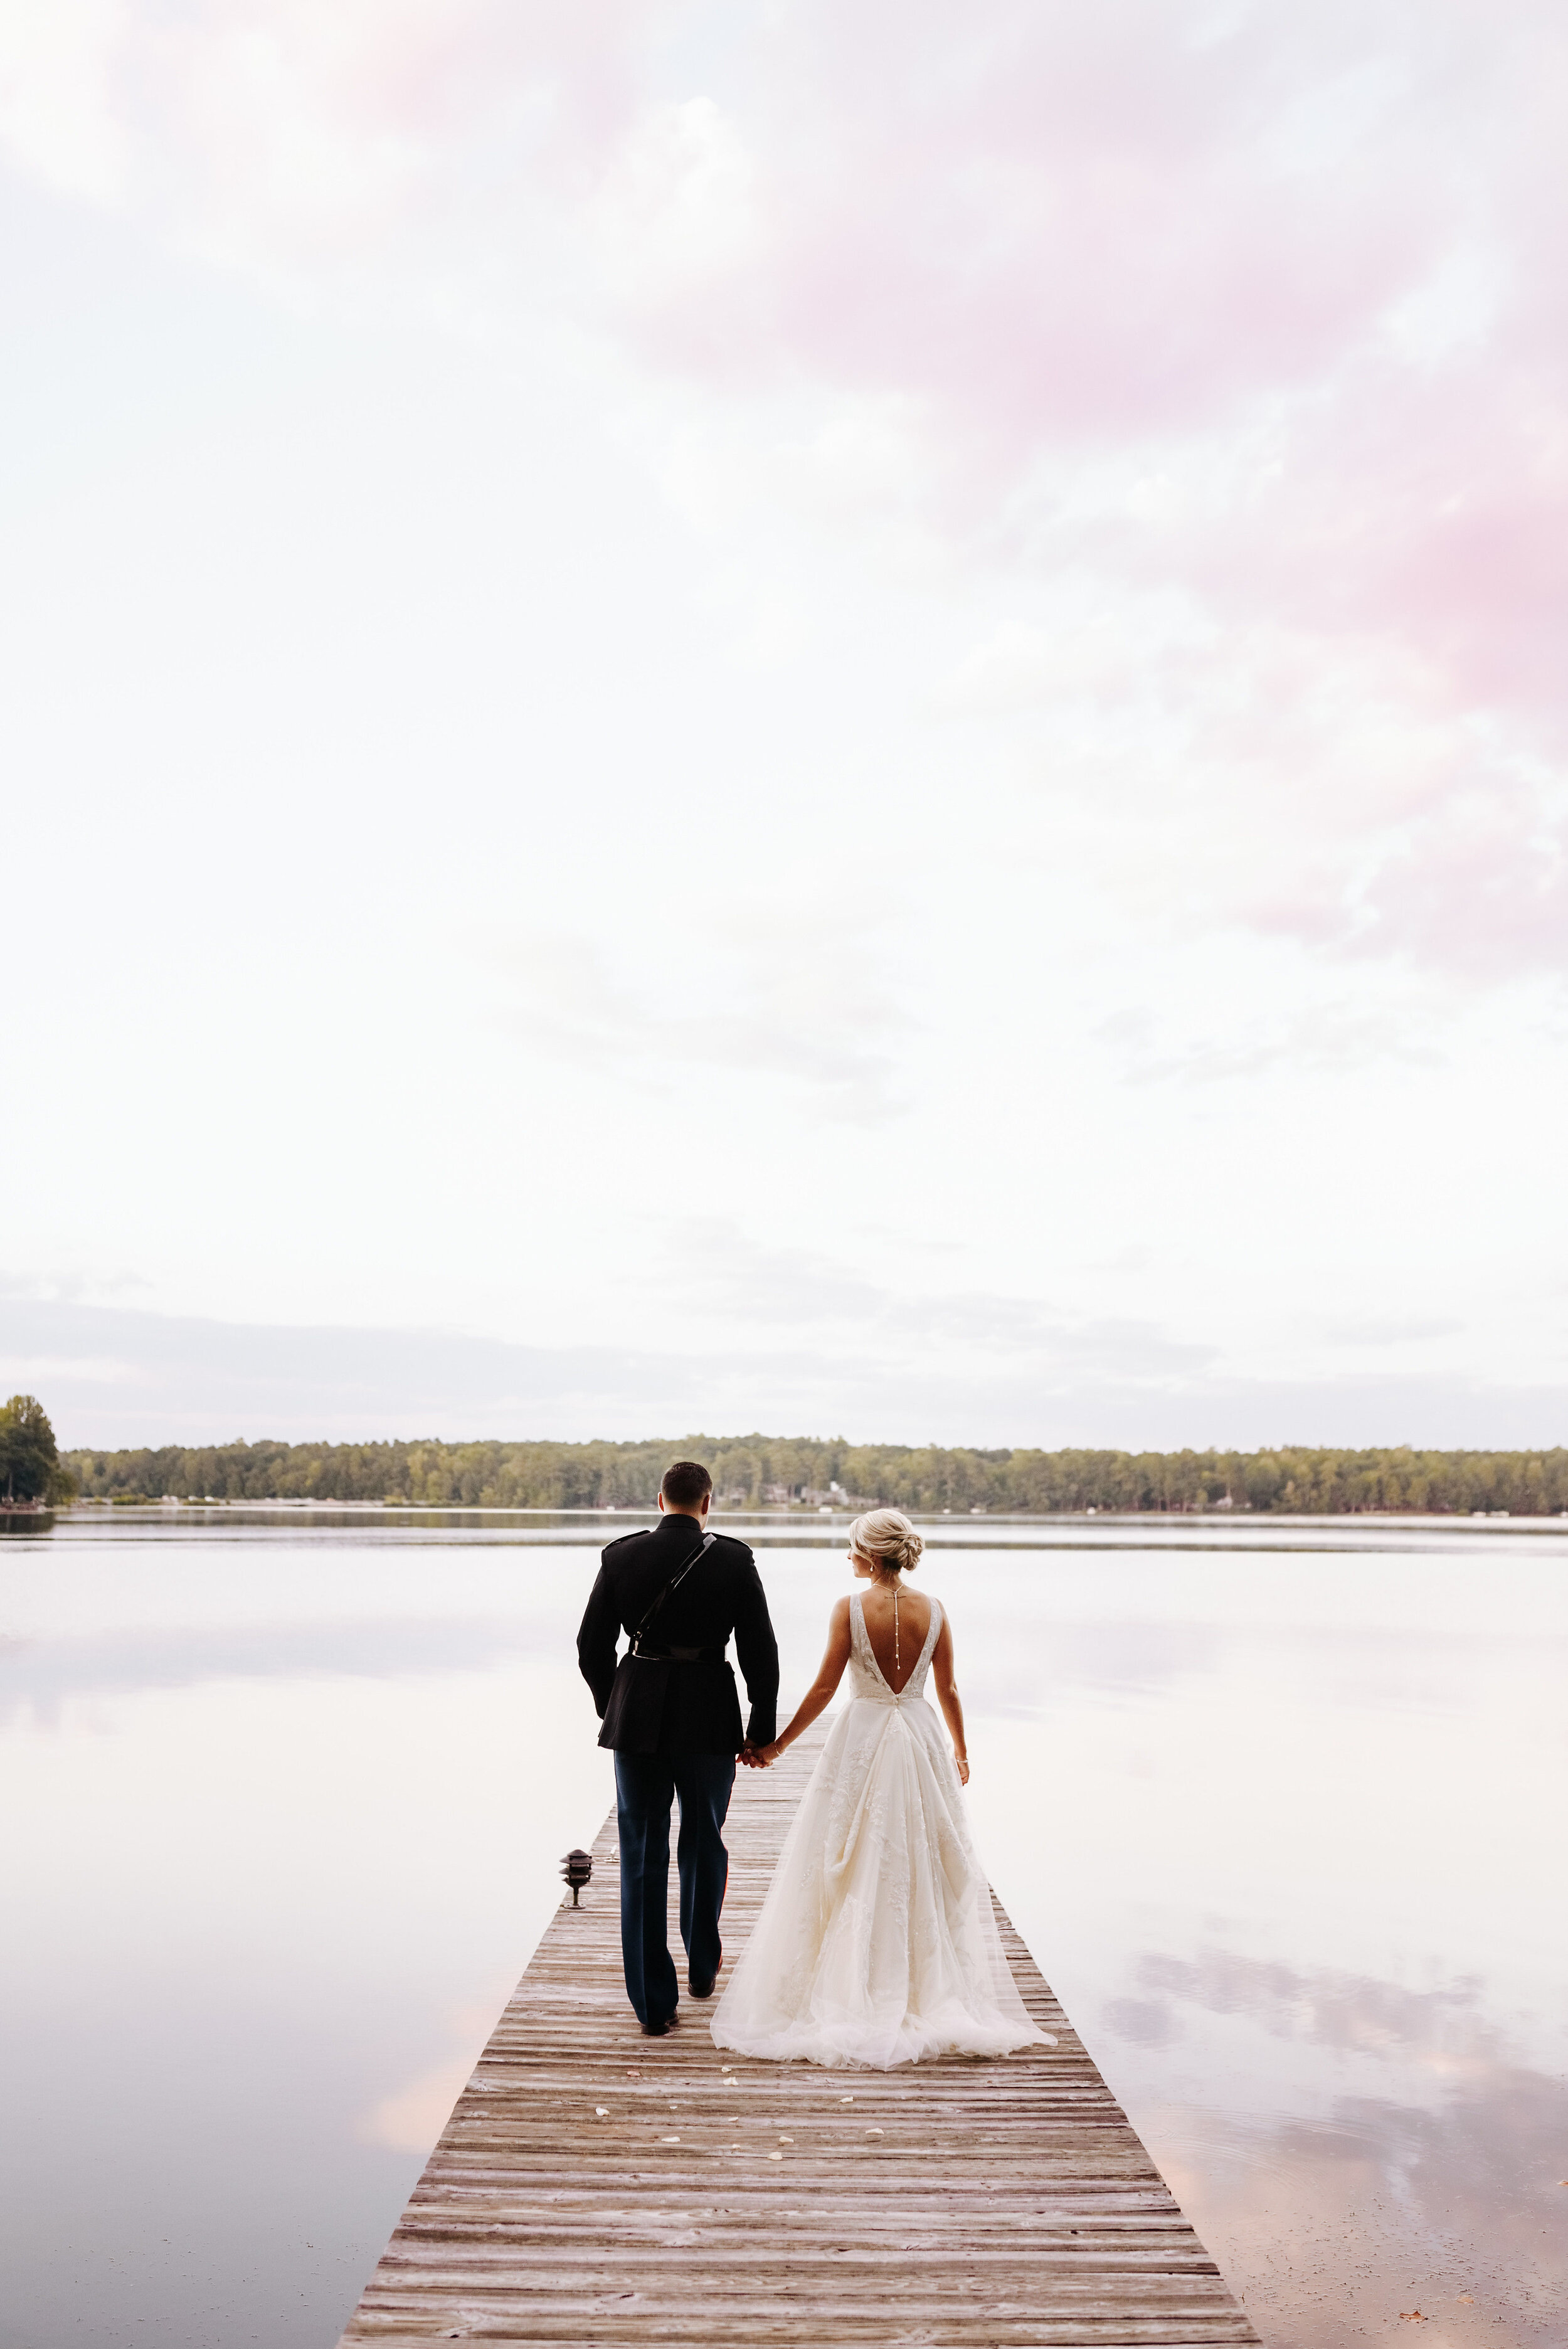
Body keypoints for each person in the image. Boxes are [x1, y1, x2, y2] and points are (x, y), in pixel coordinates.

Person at [712, 1508, 1052, 2069]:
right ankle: (924, 1982)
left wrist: (776, 1746)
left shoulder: (849, 1608)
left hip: (863, 1734)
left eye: (851, 1548)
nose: (847, 1557)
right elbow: (949, 1688)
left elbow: (825, 1687)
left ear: (870, 1555)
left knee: (843, 1854)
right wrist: (961, 1749)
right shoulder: (936, 1609)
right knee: (920, 1856)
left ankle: (853, 1983)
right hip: (919, 1736)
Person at [577, 1459, 779, 2037]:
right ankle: (701, 1964)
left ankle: (653, 2003)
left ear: (659, 1500)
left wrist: (609, 1702)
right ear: (707, 1502)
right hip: (710, 1712)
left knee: (642, 1849)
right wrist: (760, 1728)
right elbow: (759, 1652)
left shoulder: (621, 1556)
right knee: (702, 1836)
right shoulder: (735, 1559)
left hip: (637, 1710)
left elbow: (591, 1644)